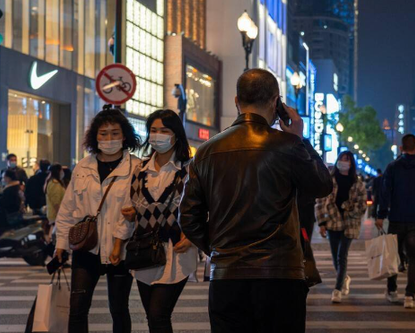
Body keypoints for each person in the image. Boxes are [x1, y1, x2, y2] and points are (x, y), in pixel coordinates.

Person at [179, 69, 333, 333]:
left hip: (227, 275)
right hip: (280, 273)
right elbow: (321, 186)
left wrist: (218, 246)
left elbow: (189, 218)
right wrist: (300, 138)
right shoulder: (288, 146)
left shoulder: (206, 152)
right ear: (276, 103)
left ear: (236, 101)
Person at [54, 106, 141, 333]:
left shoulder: (136, 167)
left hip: (120, 251)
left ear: (124, 136)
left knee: (119, 309)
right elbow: (67, 209)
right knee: (78, 309)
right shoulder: (83, 166)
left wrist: (119, 242)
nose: (109, 138)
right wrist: (61, 245)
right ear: (95, 136)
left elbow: (135, 210)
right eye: (103, 133)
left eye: (114, 133)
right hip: (86, 248)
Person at [112, 109, 196, 333]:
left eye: (164, 130)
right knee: (152, 316)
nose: (157, 135)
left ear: (176, 135)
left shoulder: (190, 170)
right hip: (145, 252)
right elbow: (130, 205)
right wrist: (119, 241)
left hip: (176, 253)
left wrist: (193, 237)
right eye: (153, 130)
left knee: (159, 314)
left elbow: (203, 209)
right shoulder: (140, 169)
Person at [376, 134, 415, 308]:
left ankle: (392, 291)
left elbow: (385, 193)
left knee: (393, 256)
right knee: (414, 258)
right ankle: (410, 296)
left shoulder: (392, 167)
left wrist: (381, 214)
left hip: (396, 218)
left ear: (401, 148)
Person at [316, 151, 367, 303]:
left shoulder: (357, 184)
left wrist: (348, 207)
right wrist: (321, 223)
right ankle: (343, 277)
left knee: (341, 256)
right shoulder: (329, 181)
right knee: (335, 257)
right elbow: (319, 202)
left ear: (351, 164)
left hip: (350, 224)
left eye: (347, 159)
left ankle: (337, 289)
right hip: (332, 223)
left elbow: (362, 206)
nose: (343, 162)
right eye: (342, 159)